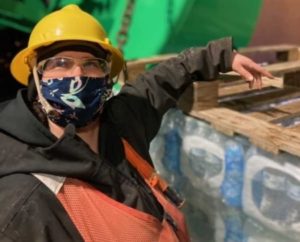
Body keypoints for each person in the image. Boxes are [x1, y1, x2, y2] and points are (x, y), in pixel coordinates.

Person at [0, 4, 273, 242]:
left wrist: (222, 56)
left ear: (107, 77)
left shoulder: (122, 122)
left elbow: (162, 79)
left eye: (92, 64)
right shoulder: (25, 203)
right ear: (37, 78)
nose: (78, 75)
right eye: (60, 63)